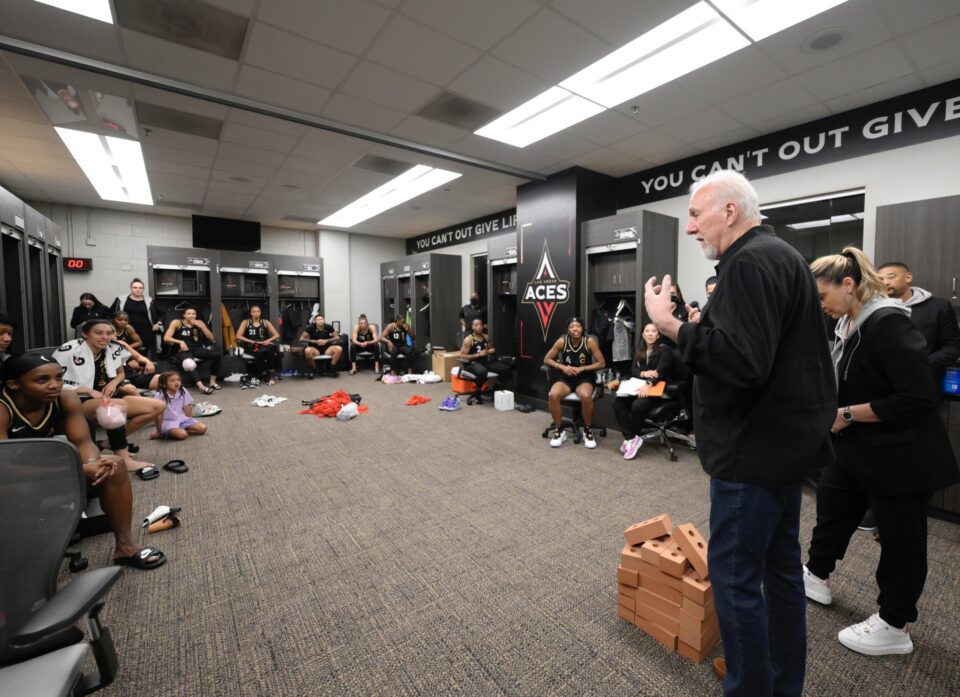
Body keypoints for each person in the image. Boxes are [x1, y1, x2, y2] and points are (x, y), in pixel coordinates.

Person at [644, 169, 835, 697]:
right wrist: (695, 329)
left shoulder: (749, 262)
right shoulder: (779, 255)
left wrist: (670, 325)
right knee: (780, 574)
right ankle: (778, 684)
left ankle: (750, 687)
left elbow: (744, 363)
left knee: (734, 582)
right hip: (781, 450)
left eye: (696, 215)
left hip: (751, 455)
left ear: (729, 212)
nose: (690, 228)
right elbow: (758, 351)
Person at [802, 248, 959, 656]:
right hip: (857, 451)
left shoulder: (887, 324)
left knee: (901, 542)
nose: (820, 306)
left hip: (901, 457)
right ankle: (816, 574)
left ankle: (894, 623)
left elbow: (916, 396)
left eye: (822, 296)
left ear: (848, 285)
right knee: (833, 509)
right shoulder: (848, 326)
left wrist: (847, 414)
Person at [0, 354, 165, 570]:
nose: (54, 385)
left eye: (59, 378)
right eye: (42, 380)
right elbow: (4, 466)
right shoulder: (3, 408)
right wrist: (76, 470)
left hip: (45, 463)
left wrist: (91, 463)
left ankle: (125, 547)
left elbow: (84, 442)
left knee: (114, 465)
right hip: (11, 476)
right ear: (14, 384)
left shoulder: (65, 398)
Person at [55, 319, 164, 475]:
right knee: (115, 407)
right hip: (78, 399)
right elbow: (55, 382)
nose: (105, 337)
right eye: (98, 333)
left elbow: (120, 374)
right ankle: (122, 456)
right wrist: (87, 390)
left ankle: (108, 443)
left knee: (156, 406)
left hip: (107, 394)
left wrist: (113, 384)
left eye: (109, 333)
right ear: (85, 334)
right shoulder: (69, 349)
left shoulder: (113, 348)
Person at [877, 262, 960, 388]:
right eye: (880, 279)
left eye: (891, 277)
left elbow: (953, 347)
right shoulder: (875, 309)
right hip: (882, 386)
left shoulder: (938, 307)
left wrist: (922, 364)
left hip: (923, 385)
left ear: (908, 277)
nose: (885, 282)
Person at [611, 323, 675, 460]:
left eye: (653, 331)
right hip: (640, 386)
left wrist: (649, 384)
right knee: (618, 403)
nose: (650, 334)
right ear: (643, 334)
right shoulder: (640, 350)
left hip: (659, 389)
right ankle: (631, 438)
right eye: (647, 331)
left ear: (658, 335)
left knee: (638, 405)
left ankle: (633, 436)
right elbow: (633, 370)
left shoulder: (665, 350)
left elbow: (661, 372)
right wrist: (644, 374)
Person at [543, 317, 605, 449]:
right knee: (553, 394)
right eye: (572, 327)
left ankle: (588, 431)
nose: (575, 329)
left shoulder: (589, 341)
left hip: (584, 377)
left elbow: (602, 363)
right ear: (567, 330)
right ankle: (559, 431)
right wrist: (562, 367)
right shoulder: (562, 341)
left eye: (578, 326)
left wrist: (582, 368)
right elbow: (547, 359)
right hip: (566, 378)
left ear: (583, 329)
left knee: (585, 395)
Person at [163, 306, 221, 393]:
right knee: (189, 363)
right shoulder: (177, 322)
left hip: (196, 348)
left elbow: (211, 338)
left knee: (216, 355)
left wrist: (202, 327)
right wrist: (180, 342)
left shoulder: (199, 322)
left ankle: (212, 382)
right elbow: (166, 338)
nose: (191, 315)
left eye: (193, 314)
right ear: (184, 315)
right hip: (181, 350)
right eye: (189, 314)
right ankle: (201, 387)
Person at [150, 371, 207, 441]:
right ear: (164, 384)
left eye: (178, 380)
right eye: (172, 381)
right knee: (182, 435)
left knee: (202, 429)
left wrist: (190, 421)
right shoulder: (159, 396)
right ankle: (166, 433)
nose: (176, 382)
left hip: (182, 418)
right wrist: (158, 431)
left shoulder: (183, 390)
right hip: (168, 421)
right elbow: (158, 415)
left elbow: (187, 407)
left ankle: (179, 430)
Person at [112, 278, 161, 358]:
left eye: (140, 288)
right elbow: (111, 314)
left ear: (143, 289)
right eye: (135, 287)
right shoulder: (121, 300)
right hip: (127, 332)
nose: (137, 290)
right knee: (125, 354)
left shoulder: (149, 301)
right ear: (131, 288)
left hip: (145, 332)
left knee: (142, 354)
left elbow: (162, 314)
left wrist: (158, 323)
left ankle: (142, 369)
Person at [459, 317, 513, 386]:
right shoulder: (468, 339)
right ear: (472, 327)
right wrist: (479, 354)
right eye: (476, 325)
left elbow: (492, 349)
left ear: (483, 326)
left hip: (485, 362)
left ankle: (496, 386)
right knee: (482, 372)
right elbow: (462, 356)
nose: (479, 327)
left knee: (506, 368)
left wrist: (490, 351)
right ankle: (478, 390)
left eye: (480, 325)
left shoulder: (486, 337)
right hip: (472, 364)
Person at [235, 305, 281, 385]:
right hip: (251, 345)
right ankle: (264, 374)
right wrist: (253, 342)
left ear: (260, 313)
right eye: (254, 311)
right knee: (259, 353)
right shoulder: (246, 322)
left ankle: (271, 375)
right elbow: (238, 336)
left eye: (258, 311)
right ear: (251, 313)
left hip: (264, 344)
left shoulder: (265, 322)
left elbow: (277, 335)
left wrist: (267, 340)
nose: (256, 313)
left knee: (271, 351)